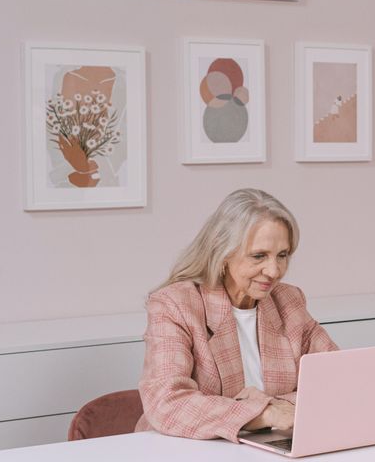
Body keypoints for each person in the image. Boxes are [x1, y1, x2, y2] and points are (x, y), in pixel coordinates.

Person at [136, 188, 338, 441]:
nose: (274, 271)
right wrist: (266, 414)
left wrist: (260, 404)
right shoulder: (175, 304)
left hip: (270, 447)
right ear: (223, 253)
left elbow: (337, 381)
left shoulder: (289, 301)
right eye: (259, 256)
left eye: (282, 255)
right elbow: (168, 402)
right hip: (186, 452)